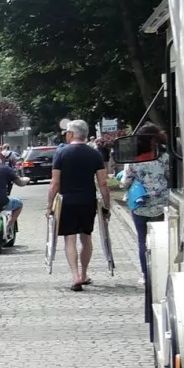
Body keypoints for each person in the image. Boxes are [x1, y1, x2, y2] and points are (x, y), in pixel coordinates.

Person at [49, 119, 111, 291]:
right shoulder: (95, 154)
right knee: (86, 237)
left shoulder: (61, 154)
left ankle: (75, 275)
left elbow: (55, 183)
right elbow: (103, 182)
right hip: (88, 200)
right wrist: (107, 205)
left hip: (67, 201)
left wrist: (49, 206)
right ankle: (84, 273)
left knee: (70, 239)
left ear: (70, 134)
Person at [120, 122, 172, 326]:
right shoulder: (166, 157)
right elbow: (171, 177)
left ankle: (146, 274)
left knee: (143, 240)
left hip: (140, 205)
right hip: (161, 204)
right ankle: (163, 269)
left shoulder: (133, 159)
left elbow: (125, 182)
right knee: (161, 239)